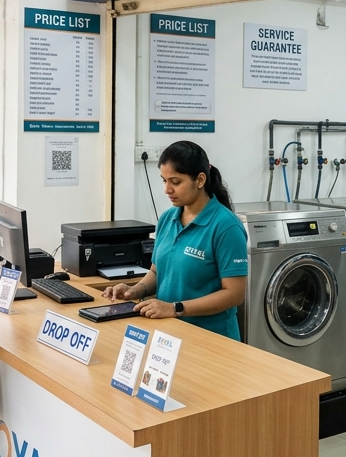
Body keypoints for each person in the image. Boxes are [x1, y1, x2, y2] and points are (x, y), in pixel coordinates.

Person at [104, 141, 248, 340]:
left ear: (200, 180)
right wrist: (134, 290)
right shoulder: (167, 218)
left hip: (212, 338)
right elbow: (157, 271)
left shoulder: (226, 226)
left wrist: (174, 308)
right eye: (164, 180)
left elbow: (234, 294)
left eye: (175, 182)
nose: (167, 189)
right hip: (169, 335)